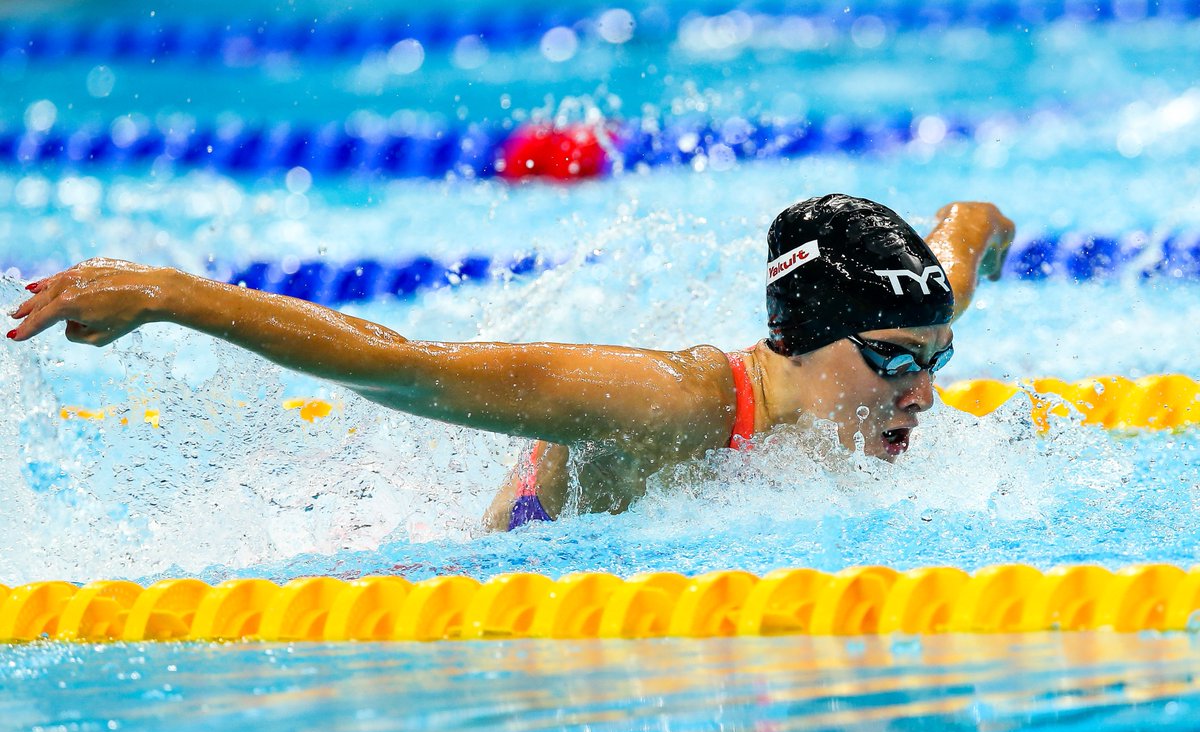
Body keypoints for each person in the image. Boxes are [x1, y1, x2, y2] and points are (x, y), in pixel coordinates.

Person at [7, 194, 1014, 531]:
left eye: (937, 357)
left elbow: (966, 231)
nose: (923, 392)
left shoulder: (905, 314)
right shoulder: (672, 402)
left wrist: (976, 242)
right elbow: (405, 367)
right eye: (892, 362)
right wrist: (171, 293)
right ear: (799, 337)